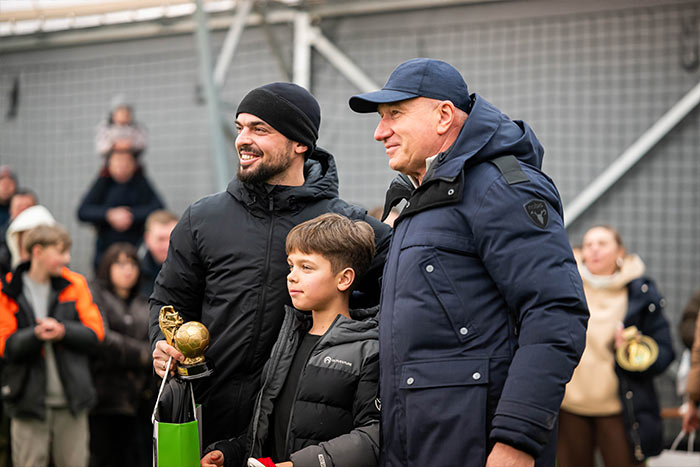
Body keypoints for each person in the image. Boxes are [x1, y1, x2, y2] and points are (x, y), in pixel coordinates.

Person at [348, 58, 589, 467]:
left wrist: (517, 439)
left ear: (444, 116)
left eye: (395, 114)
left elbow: (555, 311)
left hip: (477, 446)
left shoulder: (501, 188)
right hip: (423, 440)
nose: (379, 131)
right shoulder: (427, 196)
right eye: (380, 118)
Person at [149, 82, 391, 448]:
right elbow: (169, 301)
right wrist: (161, 342)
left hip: (300, 434)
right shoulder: (202, 218)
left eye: (259, 129)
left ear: (300, 144)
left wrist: (347, 346)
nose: (242, 140)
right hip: (207, 423)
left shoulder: (346, 226)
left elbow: (396, 300)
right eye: (240, 127)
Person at [201, 213, 380, 467]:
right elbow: (271, 432)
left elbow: (373, 437)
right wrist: (230, 453)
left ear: (344, 279)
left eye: (306, 267)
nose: (292, 276)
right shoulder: (288, 341)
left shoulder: (369, 349)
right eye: (291, 265)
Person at [557, 225, 674, 466]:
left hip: (620, 410)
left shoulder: (640, 293)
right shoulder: (563, 286)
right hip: (569, 407)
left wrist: (633, 352)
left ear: (620, 251)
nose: (594, 249)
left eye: (602, 244)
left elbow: (665, 351)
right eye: (588, 244)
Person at [0, 224, 105, 467]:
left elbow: (96, 334)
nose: (66, 259)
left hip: (72, 401)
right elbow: (6, 346)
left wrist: (63, 331)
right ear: (38, 251)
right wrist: (35, 335)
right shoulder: (7, 289)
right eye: (60, 252)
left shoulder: (75, 284)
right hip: (27, 402)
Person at [88, 243, 152, 467]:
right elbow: (102, 339)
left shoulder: (144, 302)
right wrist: (144, 355)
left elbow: (155, 342)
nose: (128, 270)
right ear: (108, 267)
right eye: (120, 264)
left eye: (132, 264)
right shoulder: (96, 294)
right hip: (103, 399)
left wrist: (143, 354)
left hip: (139, 400)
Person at [77, 146, 164, 270]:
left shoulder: (140, 182)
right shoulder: (103, 183)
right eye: (118, 161)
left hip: (136, 249)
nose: (122, 166)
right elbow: (83, 211)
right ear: (109, 164)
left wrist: (131, 215)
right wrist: (109, 215)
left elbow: (159, 209)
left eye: (127, 162)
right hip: (105, 250)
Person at [137, 210, 178, 298]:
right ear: (147, 239)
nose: (167, 245)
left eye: (172, 239)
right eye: (161, 239)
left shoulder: (195, 272)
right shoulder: (134, 273)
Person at [0, 188, 38, 274]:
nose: (24, 213)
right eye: (19, 208)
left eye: (28, 208)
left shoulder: (48, 238)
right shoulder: (2, 238)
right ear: (10, 211)